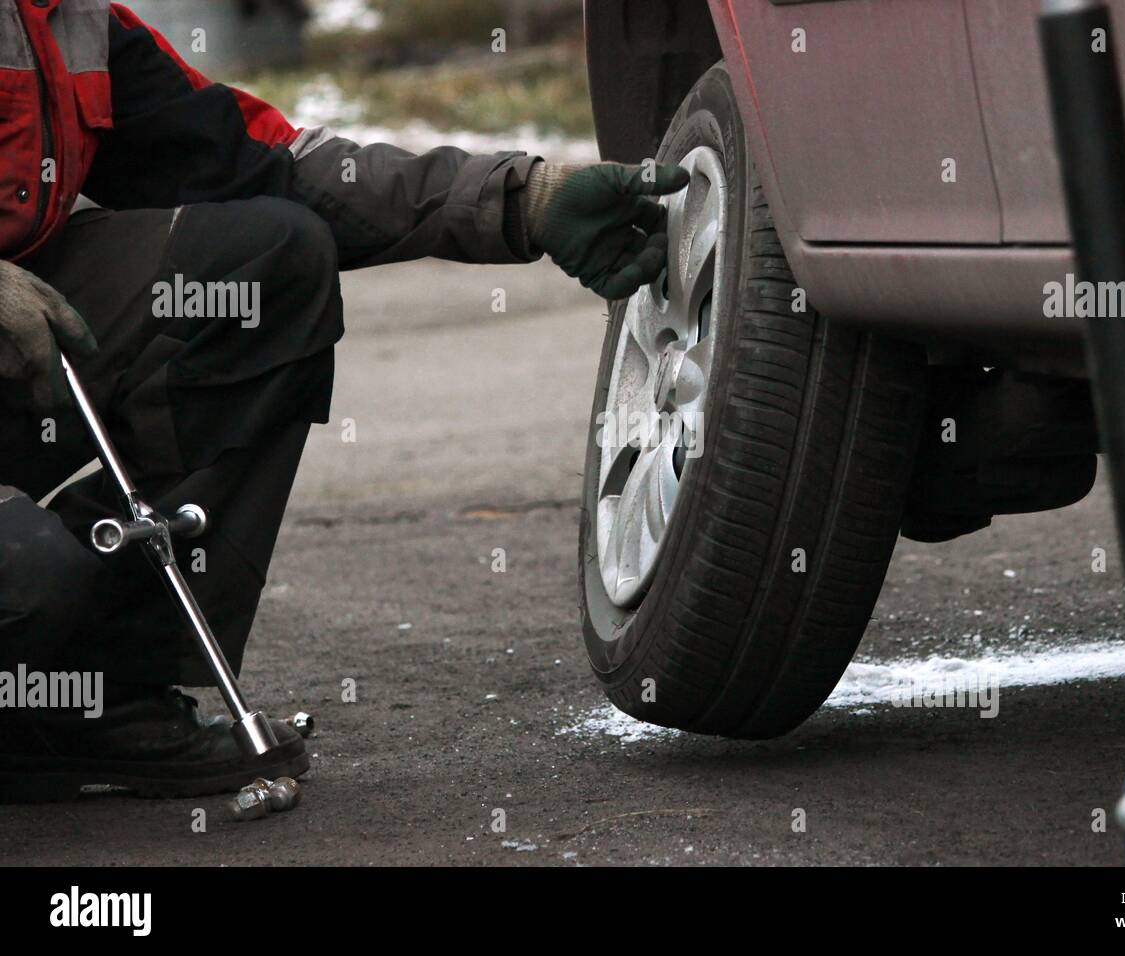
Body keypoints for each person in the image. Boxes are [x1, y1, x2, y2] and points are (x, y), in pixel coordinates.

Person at [0, 0, 686, 801]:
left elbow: (274, 162)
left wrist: (522, 200)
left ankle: (85, 695)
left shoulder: (70, 22)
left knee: (271, 259)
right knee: (22, 580)